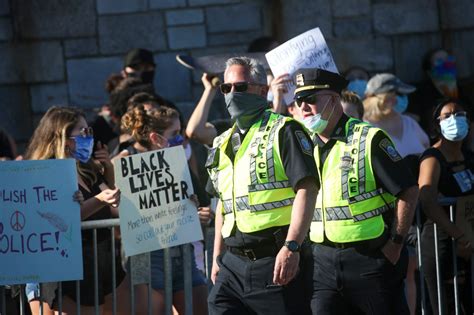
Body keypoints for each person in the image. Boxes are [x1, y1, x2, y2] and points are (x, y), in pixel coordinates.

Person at [293, 68, 419, 314]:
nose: (304, 107)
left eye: (310, 99)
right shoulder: (305, 145)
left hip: (369, 258)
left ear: (332, 99)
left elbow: (408, 190)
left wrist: (395, 243)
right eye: (299, 101)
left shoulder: (368, 138)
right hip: (323, 263)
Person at [206, 56, 318, 315]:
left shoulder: (285, 130)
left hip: (274, 258)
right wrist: (216, 257)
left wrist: (292, 247)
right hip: (232, 264)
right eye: (227, 88)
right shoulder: (221, 142)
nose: (233, 94)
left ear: (262, 91)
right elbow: (223, 204)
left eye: (241, 87)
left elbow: (307, 188)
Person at [24, 106, 128, 315]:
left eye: (88, 131)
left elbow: (113, 206)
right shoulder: (47, 175)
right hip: (66, 269)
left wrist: (108, 169)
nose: (87, 137)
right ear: (62, 137)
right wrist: (99, 200)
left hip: (95, 264)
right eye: (81, 132)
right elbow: (62, 219)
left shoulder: (87, 170)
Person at [116, 105, 209, 315]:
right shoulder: (125, 162)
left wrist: (196, 210)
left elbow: (198, 202)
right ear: (156, 138)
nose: (181, 138)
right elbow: (119, 210)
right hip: (147, 255)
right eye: (174, 134)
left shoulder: (179, 165)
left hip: (182, 251)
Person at [418, 99, 473, 314]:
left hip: (468, 244)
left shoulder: (469, 157)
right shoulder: (432, 158)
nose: (454, 120)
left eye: (459, 114)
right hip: (441, 244)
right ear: (437, 125)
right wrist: (458, 235)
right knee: (445, 307)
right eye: (447, 116)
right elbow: (427, 200)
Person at [364, 73, 429, 159]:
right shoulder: (365, 127)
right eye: (395, 94)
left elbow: (427, 148)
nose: (397, 100)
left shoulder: (408, 122)